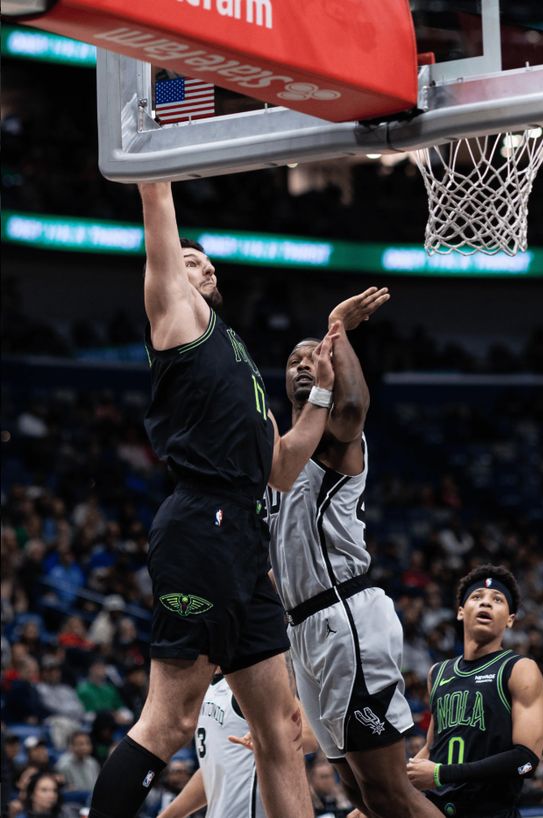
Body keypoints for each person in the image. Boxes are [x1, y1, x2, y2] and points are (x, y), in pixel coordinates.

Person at [88, 180, 339, 818]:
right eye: (189, 258)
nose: (203, 265)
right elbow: (157, 204)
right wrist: (158, 153)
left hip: (245, 536)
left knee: (281, 727)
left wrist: (320, 395)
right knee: (170, 721)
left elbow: (281, 469)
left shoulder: (236, 354)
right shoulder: (177, 317)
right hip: (203, 522)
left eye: (206, 261)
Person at [266, 291, 445, 818]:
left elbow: (353, 408)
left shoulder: (333, 438)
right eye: (294, 360)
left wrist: (337, 330)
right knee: (357, 793)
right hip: (303, 630)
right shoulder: (280, 453)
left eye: (313, 357)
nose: (303, 364)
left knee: (389, 791)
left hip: (344, 616)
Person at [405, 564, 543, 818]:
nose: (486, 602)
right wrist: (379, 799)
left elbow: (526, 761)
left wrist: (441, 774)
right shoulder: (438, 673)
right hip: (437, 810)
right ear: (461, 612)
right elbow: (432, 747)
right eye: (477, 596)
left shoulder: (519, 669)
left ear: (510, 619)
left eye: (497, 599)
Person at [155, 667, 318, 818]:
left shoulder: (257, 679)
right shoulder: (206, 689)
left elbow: (309, 739)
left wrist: (269, 740)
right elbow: (215, 770)